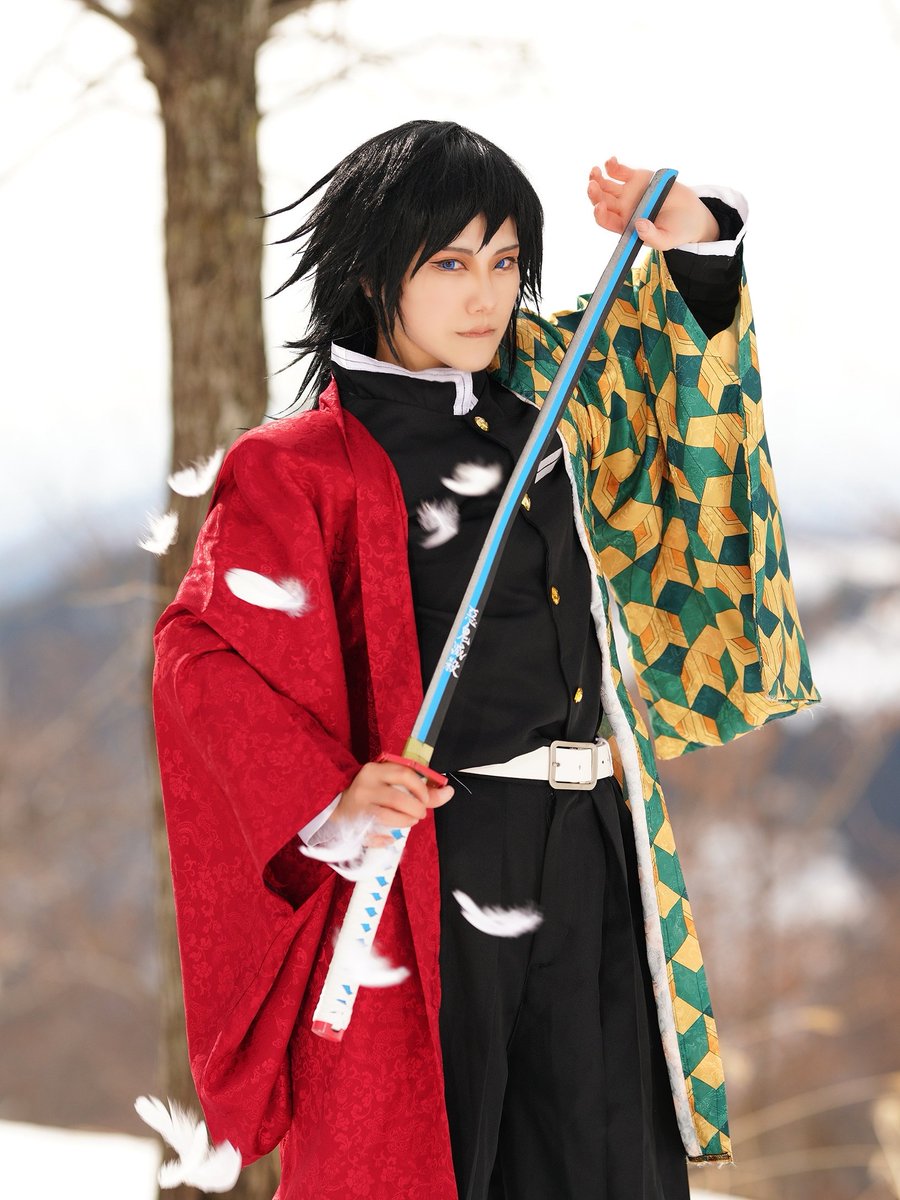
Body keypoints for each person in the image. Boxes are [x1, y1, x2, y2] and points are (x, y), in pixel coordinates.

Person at [152, 120, 819, 1200]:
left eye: (505, 263)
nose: (487, 296)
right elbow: (203, 653)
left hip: (592, 840)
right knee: (439, 1160)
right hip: (434, 858)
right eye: (451, 265)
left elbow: (677, 385)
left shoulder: (553, 398)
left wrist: (692, 235)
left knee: (605, 1164)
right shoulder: (298, 465)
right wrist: (331, 790)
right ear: (373, 274)